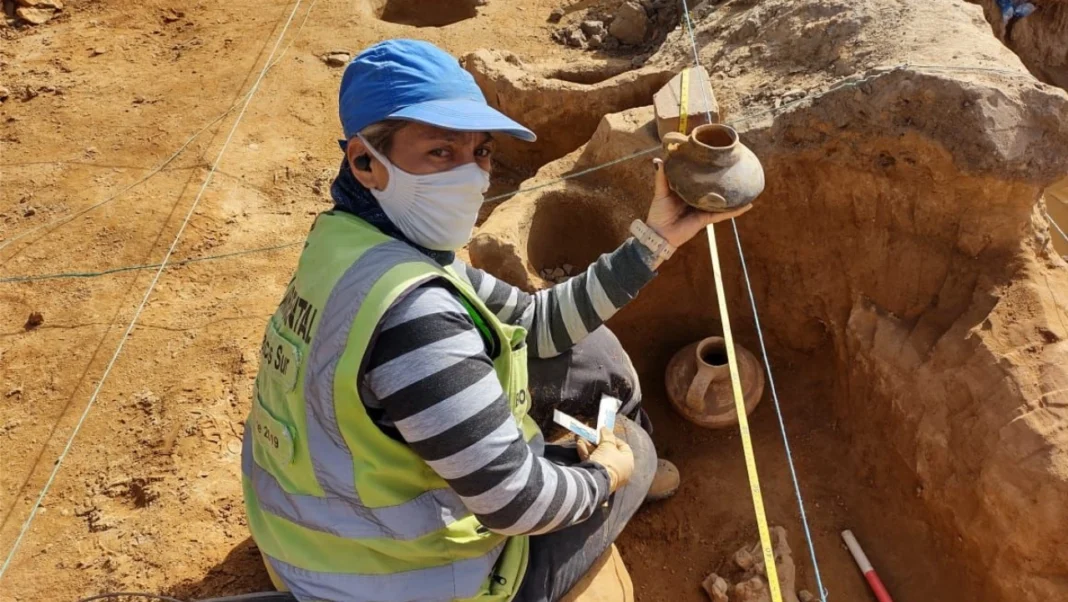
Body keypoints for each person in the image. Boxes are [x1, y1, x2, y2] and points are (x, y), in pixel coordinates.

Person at [241, 39, 750, 602]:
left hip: (317, 533)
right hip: (393, 579)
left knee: (593, 352)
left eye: (480, 151)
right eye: (440, 151)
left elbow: (536, 321)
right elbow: (517, 503)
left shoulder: (353, 241)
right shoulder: (417, 317)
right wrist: (606, 473)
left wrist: (653, 242)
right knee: (635, 447)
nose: (471, 174)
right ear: (365, 161)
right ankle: (628, 476)